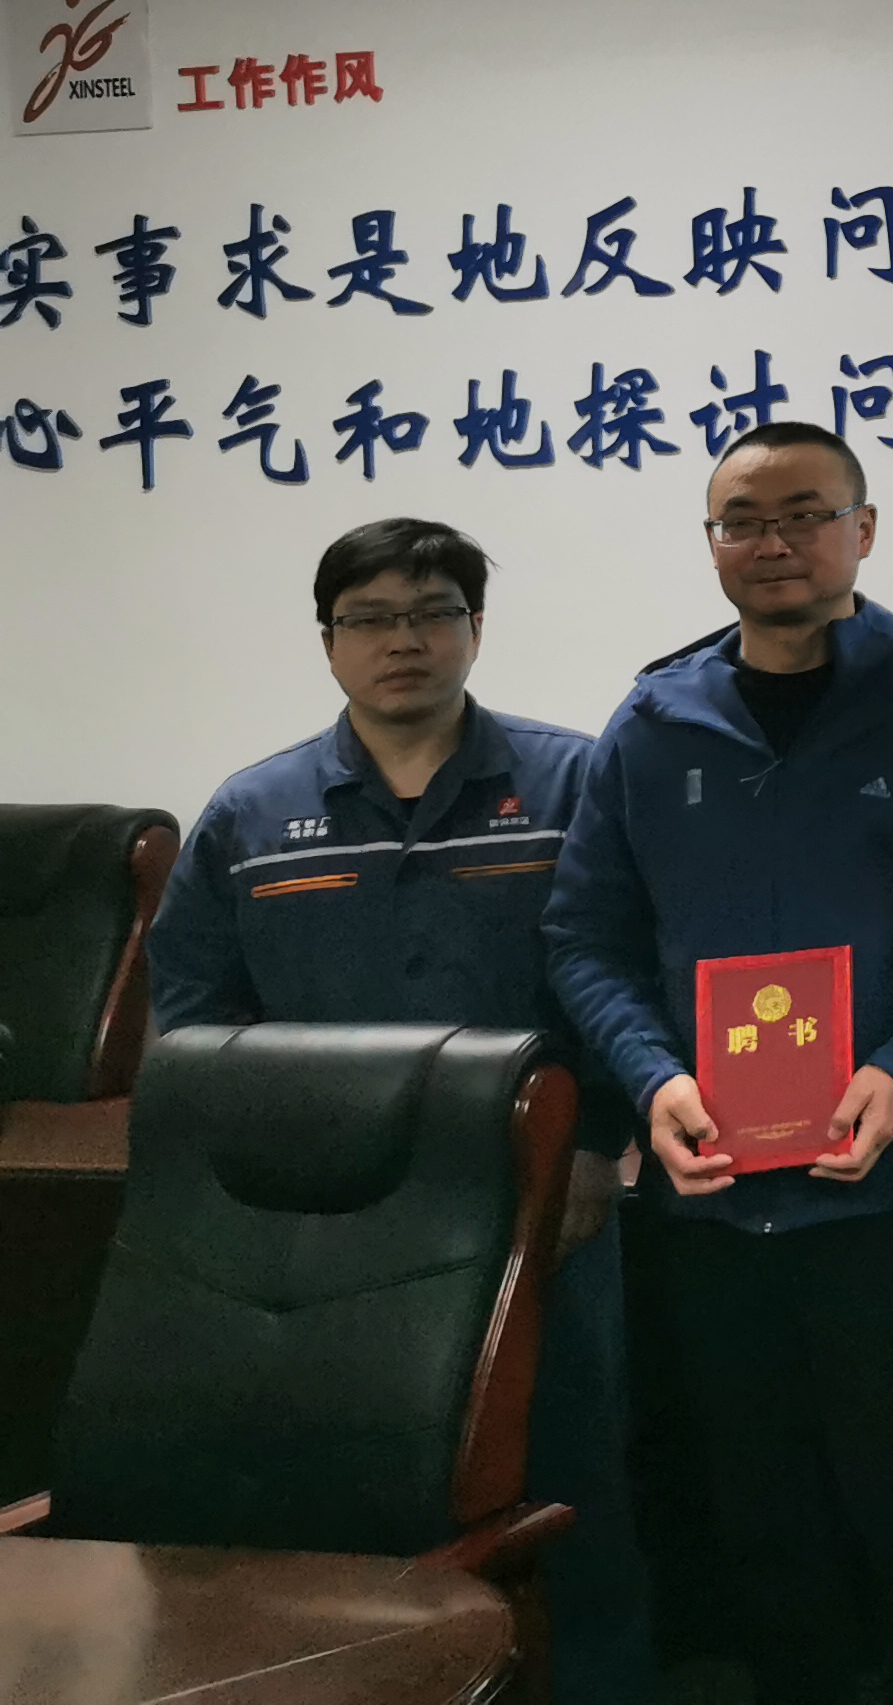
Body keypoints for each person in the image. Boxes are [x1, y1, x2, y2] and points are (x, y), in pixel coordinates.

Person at [546, 422, 893, 1705]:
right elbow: (584, 936)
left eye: (806, 514)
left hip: (889, 1193)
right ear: (711, 546)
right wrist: (653, 1078)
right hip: (712, 1202)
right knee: (757, 1521)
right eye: (743, 522)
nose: (775, 544)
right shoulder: (654, 720)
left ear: (864, 531)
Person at [148, 518, 657, 1705]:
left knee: (571, 1479)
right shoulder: (253, 812)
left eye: (433, 613)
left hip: (539, 1202)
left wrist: (595, 1148)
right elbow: (196, 1016)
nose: (403, 641)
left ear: (475, 629)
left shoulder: (574, 781)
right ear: (327, 641)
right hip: (332, 1226)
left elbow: (629, 971)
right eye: (369, 619)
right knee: (357, 1495)